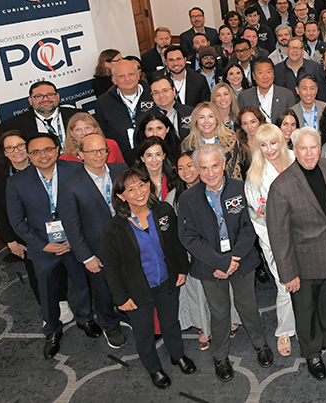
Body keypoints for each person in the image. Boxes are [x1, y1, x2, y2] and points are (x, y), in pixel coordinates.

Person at [177, 143, 274, 382]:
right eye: (204, 168)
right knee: (219, 312)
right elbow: (188, 237)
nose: (210, 173)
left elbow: (250, 225)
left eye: (214, 166)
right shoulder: (188, 199)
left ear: (223, 165)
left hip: (242, 259)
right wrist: (220, 263)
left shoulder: (242, 189)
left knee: (248, 306)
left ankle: (260, 344)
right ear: (197, 169)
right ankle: (220, 356)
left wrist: (233, 259)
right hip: (210, 265)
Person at [266, 127, 326, 381]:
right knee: (305, 312)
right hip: (303, 264)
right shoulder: (281, 186)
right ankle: (312, 352)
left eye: (313, 147)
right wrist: (288, 274)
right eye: (302, 148)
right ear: (294, 150)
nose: (308, 153)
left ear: (320, 148)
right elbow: (279, 236)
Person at [101, 167, 195, 388]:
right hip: (136, 290)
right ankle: (154, 369)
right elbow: (111, 268)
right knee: (144, 333)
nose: (139, 192)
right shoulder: (113, 228)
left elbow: (176, 243)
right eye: (131, 189)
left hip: (167, 281)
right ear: (121, 196)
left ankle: (177, 355)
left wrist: (182, 270)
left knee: (170, 322)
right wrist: (121, 298)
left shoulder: (164, 210)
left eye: (142, 185)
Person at [6, 133, 95, 358]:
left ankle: (85, 318)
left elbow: (87, 207)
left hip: (74, 241)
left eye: (47, 149)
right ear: (29, 155)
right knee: (47, 291)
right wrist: (44, 246)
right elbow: (17, 222)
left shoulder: (75, 170)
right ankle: (52, 331)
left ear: (57, 150)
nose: (42, 155)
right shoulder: (16, 182)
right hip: (42, 246)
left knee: (83, 282)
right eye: (35, 152)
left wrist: (74, 238)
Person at [56, 133, 128, 349]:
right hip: (97, 248)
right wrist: (87, 257)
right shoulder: (70, 185)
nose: (98, 155)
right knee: (103, 289)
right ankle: (109, 323)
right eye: (92, 151)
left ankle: (125, 311)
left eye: (102, 150)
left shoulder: (121, 171)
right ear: (81, 154)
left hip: (128, 241)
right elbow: (72, 226)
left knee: (129, 280)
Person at [244, 124, 297, 357]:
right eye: (263, 145)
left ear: (282, 140)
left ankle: (304, 323)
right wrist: (275, 243)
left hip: (305, 236)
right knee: (285, 285)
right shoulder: (254, 175)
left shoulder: (297, 159)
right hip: (275, 240)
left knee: (306, 283)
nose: (270, 149)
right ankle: (284, 330)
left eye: (273, 143)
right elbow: (257, 216)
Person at [0, 130, 44, 301]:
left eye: (20, 145)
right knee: (36, 272)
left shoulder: (44, 168)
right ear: (4, 153)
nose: (16, 151)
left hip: (50, 227)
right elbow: (0, 212)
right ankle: (46, 304)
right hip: (24, 235)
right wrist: (11, 242)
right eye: (10, 148)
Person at [95, 60, 156, 165]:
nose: (127, 79)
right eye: (121, 76)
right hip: (122, 161)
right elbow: (103, 132)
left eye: (131, 74)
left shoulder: (153, 94)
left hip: (154, 155)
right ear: (114, 80)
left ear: (138, 75)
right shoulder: (103, 102)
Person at [0, 81, 85, 152]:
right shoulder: (11, 126)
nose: (45, 99)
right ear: (30, 101)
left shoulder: (79, 116)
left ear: (58, 97)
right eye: (38, 96)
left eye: (50, 94)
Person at [180, 102, 246, 180]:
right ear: (196, 121)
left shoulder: (230, 139)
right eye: (201, 117)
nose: (206, 121)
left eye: (210, 116)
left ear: (216, 119)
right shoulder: (188, 144)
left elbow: (235, 170)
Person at [237, 57, 298, 125]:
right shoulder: (244, 97)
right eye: (260, 73)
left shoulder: (287, 95)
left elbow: (293, 122)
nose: (265, 77)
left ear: (273, 74)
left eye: (268, 72)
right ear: (253, 76)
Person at [60, 112, 126, 164]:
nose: (84, 133)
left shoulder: (111, 145)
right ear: (71, 133)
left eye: (87, 128)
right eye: (78, 130)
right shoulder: (64, 160)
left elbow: (122, 170)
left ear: (95, 129)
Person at [134, 136, 178, 204]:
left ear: (163, 156)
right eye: (149, 155)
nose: (154, 160)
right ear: (142, 158)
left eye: (158, 154)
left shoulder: (175, 175)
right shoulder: (135, 181)